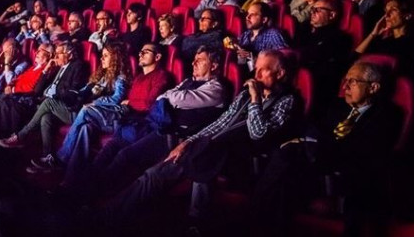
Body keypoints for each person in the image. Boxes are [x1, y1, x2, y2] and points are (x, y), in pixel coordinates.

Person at [102, 50, 297, 222]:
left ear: (280, 74)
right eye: (256, 69)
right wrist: (188, 141)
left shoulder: (286, 100)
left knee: (204, 158)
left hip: (241, 157)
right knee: (154, 174)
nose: (257, 75)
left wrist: (255, 99)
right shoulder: (245, 95)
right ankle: (108, 214)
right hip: (212, 145)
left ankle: (196, 222)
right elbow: (221, 123)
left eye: (264, 70)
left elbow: (258, 134)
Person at [253, 61, 401, 237]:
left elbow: (366, 148)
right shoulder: (338, 106)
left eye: (353, 82)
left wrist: (314, 145)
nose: (345, 86)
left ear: (373, 87)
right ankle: (271, 229)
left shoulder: (388, 114)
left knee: (288, 158)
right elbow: (314, 127)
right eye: (345, 80)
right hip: (320, 155)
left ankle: (259, 219)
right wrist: (307, 143)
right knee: (285, 153)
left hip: (351, 163)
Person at [90, 46, 227, 198]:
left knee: (126, 156)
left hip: (174, 136)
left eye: (199, 60)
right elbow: (165, 96)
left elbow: (175, 98)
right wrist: (168, 97)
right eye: (194, 60)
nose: (193, 63)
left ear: (213, 66)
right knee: (116, 146)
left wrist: (169, 97)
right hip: (159, 126)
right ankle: (88, 187)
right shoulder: (188, 81)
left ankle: (99, 197)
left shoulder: (215, 89)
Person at [48, 43, 173, 186]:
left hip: (131, 121)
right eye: (140, 51)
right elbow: (128, 101)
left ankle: (61, 159)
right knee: (85, 129)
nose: (140, 54)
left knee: (86, 111)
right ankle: (70, 179)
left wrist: (129, 102)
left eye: (146, 52)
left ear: (157, 57)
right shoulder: (138, 78)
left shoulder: (161, 76)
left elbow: (149, 104)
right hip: (124, 115)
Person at [24, 42, 133, 175]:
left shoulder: (119, 78)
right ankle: (49, 157)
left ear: (115, 58)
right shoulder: (102, 76)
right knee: (47, 117)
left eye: (105, 56)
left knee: (50, 103)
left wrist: (95, 102)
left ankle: (55, 155)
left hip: (93, 113)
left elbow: (117, 99)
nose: (101, 58)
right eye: (102, 55)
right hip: (81, 108)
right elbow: (82, 91)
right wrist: (75, 94)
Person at [0, 42, 89, 153]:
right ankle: (48, 156)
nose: (55, 57)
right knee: (46, 118)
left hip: (67, 106)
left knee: (47, 102)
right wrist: (46, 71)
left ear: (69, 54)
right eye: (55, 54)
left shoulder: (78, 66)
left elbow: (74, 92)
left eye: (58, 54)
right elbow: (37, 90)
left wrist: (54, 94)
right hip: (48, 102)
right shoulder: (58, 67)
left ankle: (20, 136)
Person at [297, 0, 352, 117]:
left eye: (317, 10)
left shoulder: (340, 38)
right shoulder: (306, 31)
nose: (312, 12)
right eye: (312, 9)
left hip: (319, 87)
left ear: (331, 15)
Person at [354, 0, 414, 74]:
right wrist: (373, 34)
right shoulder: (384, 41)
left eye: (393, 10)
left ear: (407, 15)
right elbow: (355, 57)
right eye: (386, 11)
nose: (387, 15)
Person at [234, 3, 288, 69]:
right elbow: (240, 61)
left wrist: (254, 58)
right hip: (246, 73)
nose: (247, 17)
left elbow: (284, 58)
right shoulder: (245, 34)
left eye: (252, 14)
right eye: (248, 14)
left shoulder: (273, 34)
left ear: (264, 20)